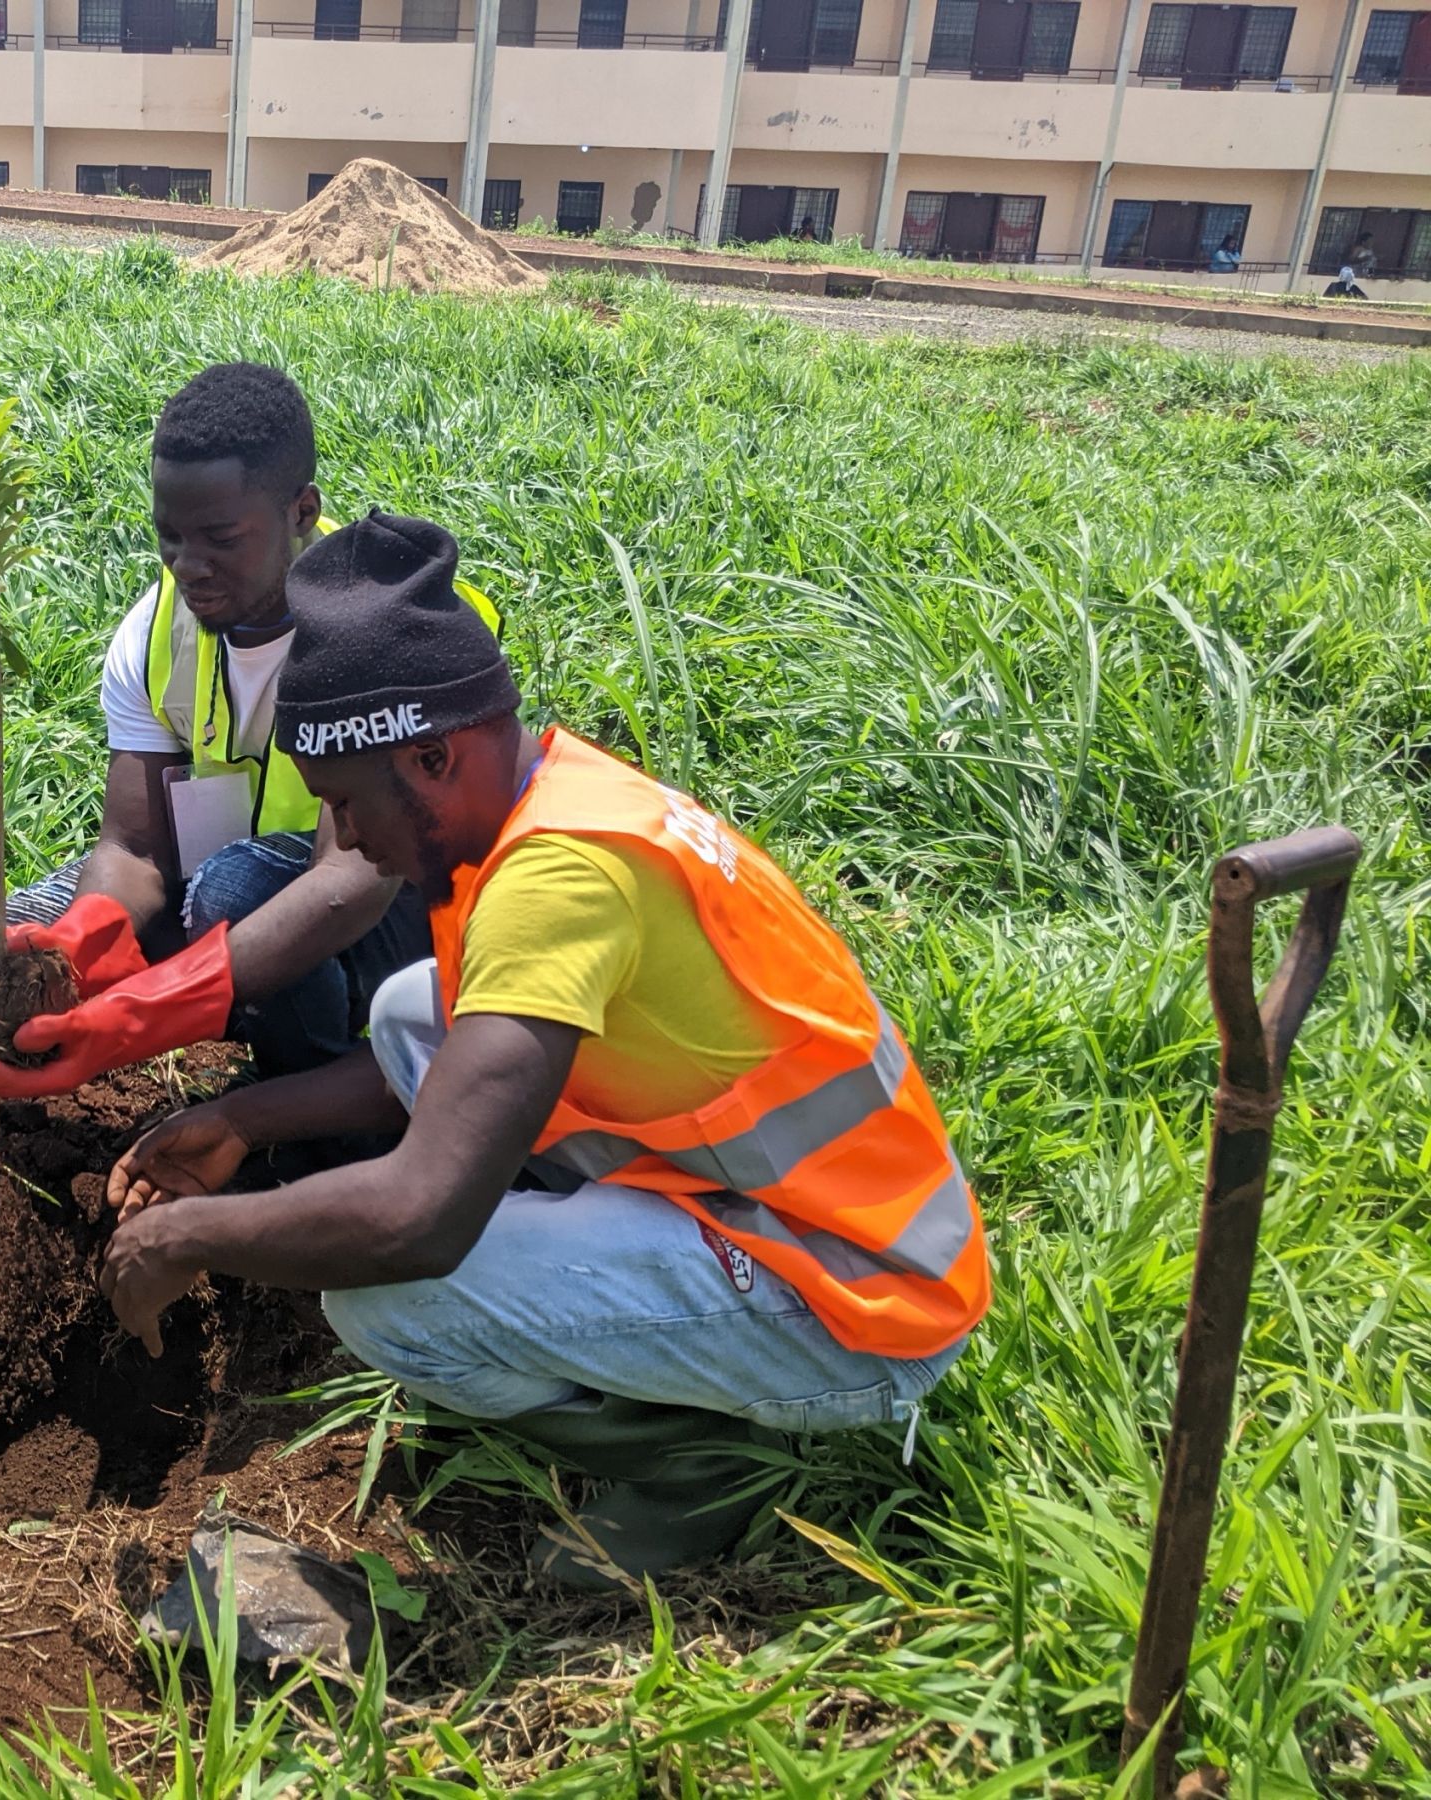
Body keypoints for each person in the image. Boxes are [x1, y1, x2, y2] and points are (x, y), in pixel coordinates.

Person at [96, 512, 988, 1582]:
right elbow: (446, 1069)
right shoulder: (543, 794)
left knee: (388, 1307)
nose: (351, 845)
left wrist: (189, 1236)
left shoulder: (563, 879)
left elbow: (416, 1223)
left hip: (856, 1299)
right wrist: (238, 1120)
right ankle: (627, 1326)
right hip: (765, 1198)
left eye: (348, 809)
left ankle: (702, 1466)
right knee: (413, 1013)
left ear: (433, 755)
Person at [0, 363, 498, 1098]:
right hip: (219, 888)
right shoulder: (157, 630)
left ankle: (309, 1087)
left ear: (302, 512)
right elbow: (134, 846)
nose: (187, 566)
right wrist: (86, 938)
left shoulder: (370, 630)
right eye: (169, 537)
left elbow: (353, 879)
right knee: (15, 936)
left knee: (230, 888)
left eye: (219, 538)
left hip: (386, 902)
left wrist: (155, 1009)